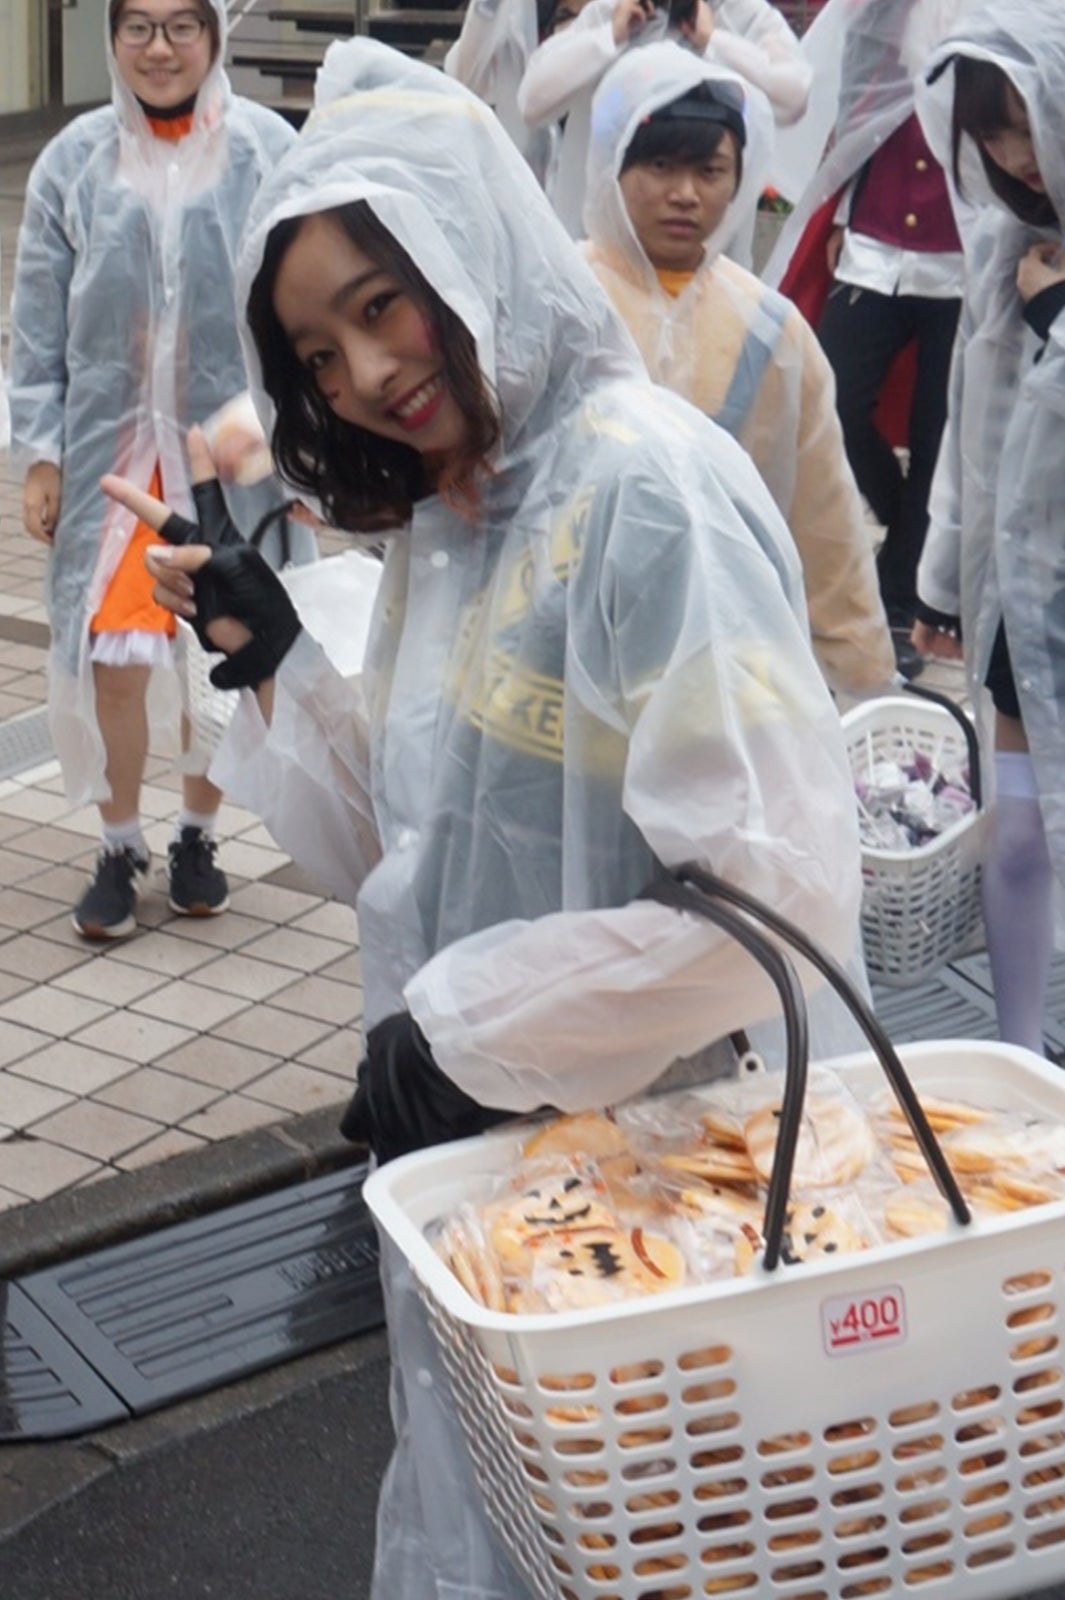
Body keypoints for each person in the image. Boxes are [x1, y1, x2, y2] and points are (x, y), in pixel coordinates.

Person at [104, 39, 863, 1599]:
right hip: (501, 1189)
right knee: (493, 1519)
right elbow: (423, 836)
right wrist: (281, 658)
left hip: (665, 1185)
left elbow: (773, 908)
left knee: (648, 1540)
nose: (364, 375)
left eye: (379, 306)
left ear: (472, 248)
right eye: (317, 355)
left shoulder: (645, 495)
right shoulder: (463, 510)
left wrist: (456, 1035)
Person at [7, 0, 313, 940]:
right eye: (137, 26)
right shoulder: (73, 160)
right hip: (112, 455)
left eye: (182, 25)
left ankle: (196, 833)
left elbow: (304, 313)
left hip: (233, 450)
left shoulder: (267, 151)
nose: (159, 47)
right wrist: (42, 454)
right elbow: (37, 323)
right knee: (113, 656)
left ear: (215, 35)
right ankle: (119, 841)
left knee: (227, 645)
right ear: (112, 39)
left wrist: (307, 456)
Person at [582, 41, 895, 696]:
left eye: (709, 171)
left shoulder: (768, 329)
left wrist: (860, 671)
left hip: (719, 646)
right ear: (611, 165)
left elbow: (822, 512)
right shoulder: (561, 294)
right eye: (659, 166)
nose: (684, 195)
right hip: (567, 629)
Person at [911, 0, 1065, 1056]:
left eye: (1027, 120)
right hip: (1028, 583)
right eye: (991, 131)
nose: (1014, 155)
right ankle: (1021, 1061)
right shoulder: (1008, 241)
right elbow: (974, 422)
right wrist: (941, 583)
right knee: (1017, 831)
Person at [763, 0, 983, 682]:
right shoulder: (876, 10)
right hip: (874, 238)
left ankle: (897, 597)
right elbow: (857, 104)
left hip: (964, 250)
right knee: (828, 399)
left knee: (936, 432)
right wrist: (846, 201)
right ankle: (898, 551)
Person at [517, 0, 811, 237]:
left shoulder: (743, 15)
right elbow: (533, 102)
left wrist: (714, 41)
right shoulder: (608, 12)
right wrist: (609, 36)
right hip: (601, 249)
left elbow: (793, 97)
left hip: (707, 254)